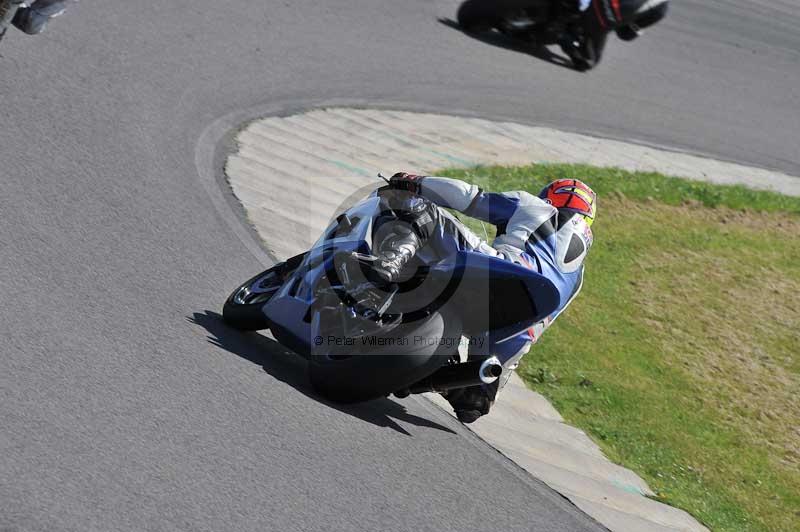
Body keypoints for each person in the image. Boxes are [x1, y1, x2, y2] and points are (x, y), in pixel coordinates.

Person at [374, 173, 596, 423]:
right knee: (474, 402)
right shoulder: (579, 277)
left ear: (550, 198)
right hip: (510, 333)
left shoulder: (537, 207)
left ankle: (388, 263)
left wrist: (415, 182)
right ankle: (448, 380)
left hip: (496, 279)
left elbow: (469, 198)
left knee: (418, 208)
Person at [562, 0, 670, 69]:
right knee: (589, 61)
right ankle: (562, 36)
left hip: (592, 9)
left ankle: (565, 27)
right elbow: (625, 34)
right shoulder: (661, 9)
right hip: (599, 18)